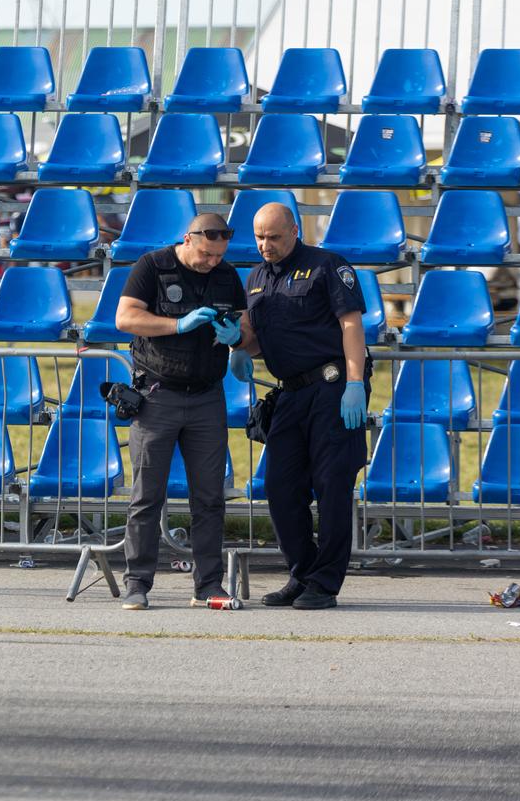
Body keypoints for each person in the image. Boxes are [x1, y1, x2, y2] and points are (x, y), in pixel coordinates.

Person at [231, 202, 370, 610]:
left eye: (274, 237)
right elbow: (257, 338)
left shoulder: (327, 266)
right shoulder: (256, 278)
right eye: (259, 237)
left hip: (332, 387)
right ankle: (302, 573)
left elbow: (350, 325)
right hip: (290, 392)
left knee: (331, 485)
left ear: (294, 230)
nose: (265, 245)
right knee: (279, 485)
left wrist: (355, 383)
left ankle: (325, 583)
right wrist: (238, 346)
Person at [113, 212, 248, 611]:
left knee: (210, 498)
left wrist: (237, 339)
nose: (212, 262)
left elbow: (243, 325)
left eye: (219, 255)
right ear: (187, 239)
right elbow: (125, 318)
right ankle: (138, 582)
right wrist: (177, 324)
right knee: (147, 496)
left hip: (207, 396)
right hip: (158, 394)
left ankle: (208, 584)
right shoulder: (152, 266)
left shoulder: (227, 275)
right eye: (206, 254)